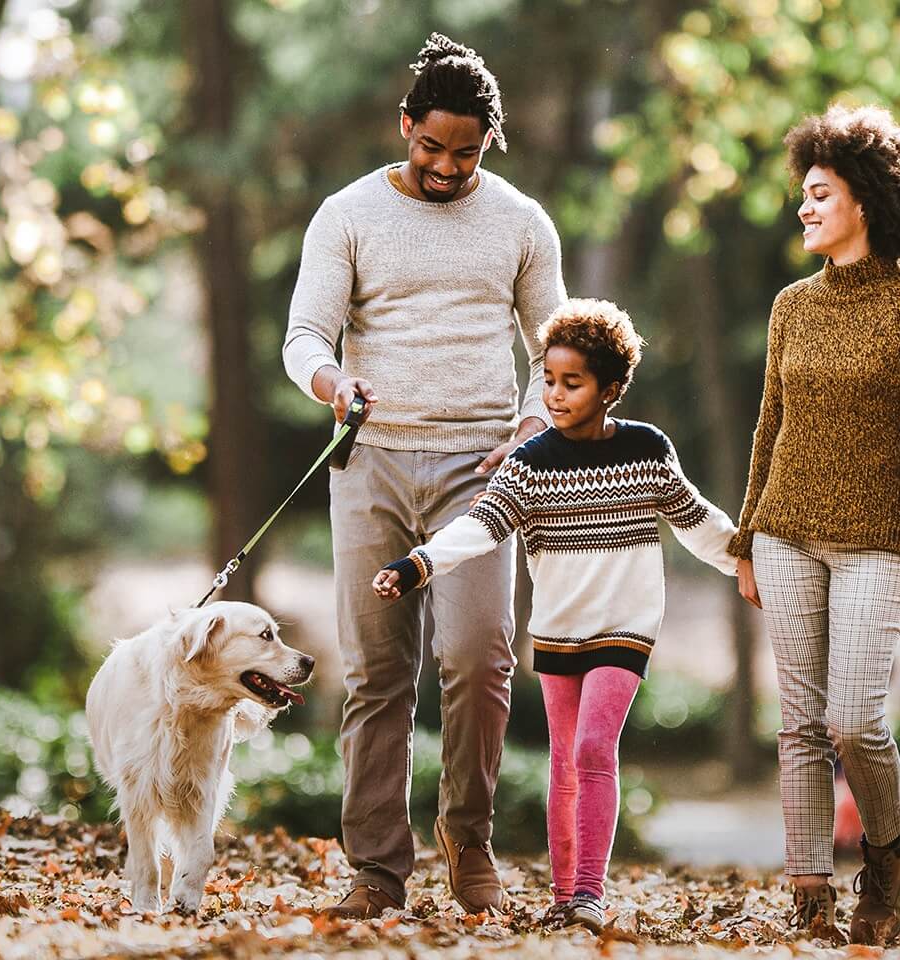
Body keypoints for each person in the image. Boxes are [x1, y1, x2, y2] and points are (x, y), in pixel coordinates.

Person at [279, 32, 565, 919]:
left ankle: (469, 838)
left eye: (466, 153)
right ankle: (376, 868)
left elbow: (556, 349)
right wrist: (335, 383)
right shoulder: (348, 214)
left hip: (481, 473)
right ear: (405, 125)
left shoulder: (521, 222)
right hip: (371, 462)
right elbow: (303, 340)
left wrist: (528, 426)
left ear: (490, 144)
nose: (446, 167)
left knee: (478, 659)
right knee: (376, 672)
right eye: (431, 146)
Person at [371, 300, 740, 933]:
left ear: (611, 388)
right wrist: (418, 564)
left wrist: (750, 562)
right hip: (558, 629)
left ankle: (590, 894)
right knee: (564, 760)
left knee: (595, 746)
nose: (556, 394)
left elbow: (698, 521)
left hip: (625, 626)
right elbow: (481, 527)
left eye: (573, 383)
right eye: (547, 380)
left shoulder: (645, 450)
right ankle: (565, 895)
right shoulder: (531, 461)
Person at [729, 104, 900, 946]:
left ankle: (887, 854)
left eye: (819, 194)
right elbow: (770, 425)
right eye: (803, 194)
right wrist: (745, 538)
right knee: (797, 725)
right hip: (784, 532)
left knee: (854, 722)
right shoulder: (792, 305)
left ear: (866, 201)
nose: (803, 208)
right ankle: (810, 899)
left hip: (876, 543)